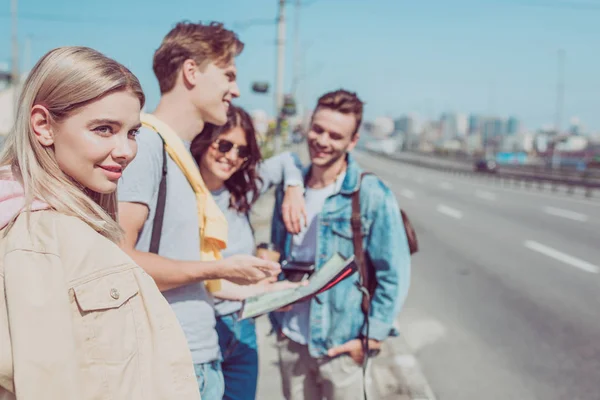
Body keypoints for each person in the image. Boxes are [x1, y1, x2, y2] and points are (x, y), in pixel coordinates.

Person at [0, 46, 200, 399]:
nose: (125, 150)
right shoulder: (38, 240)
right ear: (43, 126)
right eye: (104, 129)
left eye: (132, 132)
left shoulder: (69, 224)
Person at [117, 22, 301, 400]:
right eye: (228, 75)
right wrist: (220, 267)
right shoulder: (148, 147)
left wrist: (268, 288)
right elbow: (120, 262)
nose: (235, 90)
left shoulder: (178, 154)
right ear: (191, 72)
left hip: (202, 359)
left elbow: (190, 274)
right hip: (170, 361)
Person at [269, 89, 412, 400]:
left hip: (342, 348)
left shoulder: (370, 193)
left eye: (335, 135)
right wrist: (276, 316)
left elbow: (394, 274)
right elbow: (278, 255)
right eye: (318, 129)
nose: (322, 141)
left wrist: (370, 339)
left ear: (352, 141)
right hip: (292, 341)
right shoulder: (290, 189)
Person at [191, 105, 305, 400]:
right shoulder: (182, 195)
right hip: (201, 330)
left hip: (242, 326)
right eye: (225, 144)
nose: (232, 157)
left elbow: (288, 160)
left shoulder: (240, 191)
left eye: (242, 151)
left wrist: (294, 188)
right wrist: (261, 290)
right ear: (204, 139)